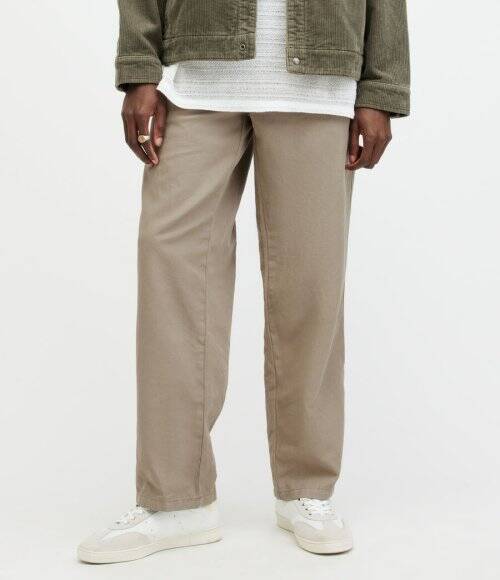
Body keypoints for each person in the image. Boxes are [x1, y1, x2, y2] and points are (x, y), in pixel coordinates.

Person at [78, 0, 410, 563]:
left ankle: (306, 488)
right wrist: (138, 68)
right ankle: (176, 499)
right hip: (195, 76)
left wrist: (382, 87)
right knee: (170, 270)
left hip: (319, 79)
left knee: (310, 286)